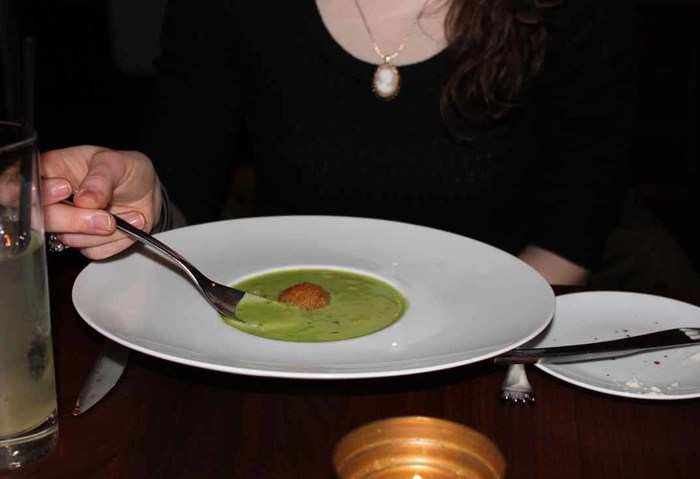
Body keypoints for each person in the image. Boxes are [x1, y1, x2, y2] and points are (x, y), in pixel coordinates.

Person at [39, 0, 637, 284]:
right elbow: (182, 205)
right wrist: (141, 210)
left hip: (497, 354)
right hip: (277, 346)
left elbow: (568, 238)